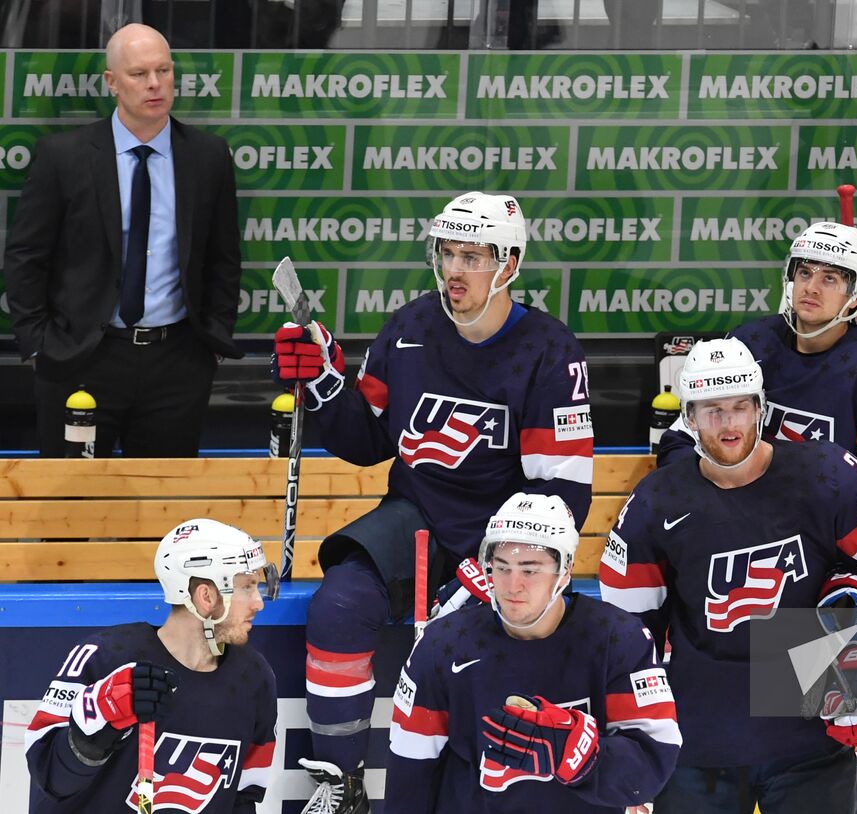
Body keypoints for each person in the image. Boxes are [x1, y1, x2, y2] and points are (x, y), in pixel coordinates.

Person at [273, 191, 593, 813]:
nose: (454, 270)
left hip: (508, 531)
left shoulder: (549, 351)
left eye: (472, 256)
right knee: (337, 607)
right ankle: (339, 784)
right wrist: (321, 381)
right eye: (446, 253)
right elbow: (366, 440)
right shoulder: (410, 327)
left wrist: (503, 565)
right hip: (415, 520)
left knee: (481, 651)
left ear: (510, 263)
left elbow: (562, 495)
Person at [602, 337, 857, 812]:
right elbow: (626, 634)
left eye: (739, 408)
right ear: (688, 418)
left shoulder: (828, 476)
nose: (728, 424)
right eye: (712, 410)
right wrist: (635, 738)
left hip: (810, 740)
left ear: (761, 408)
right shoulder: (653, 503)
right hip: (698, 743)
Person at [3, 23, 243, 458]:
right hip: (80, 357)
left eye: (164, 71)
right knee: (68, 509)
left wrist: (213, 341)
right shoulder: (64, 156)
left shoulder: (208, 156)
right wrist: (39, 343)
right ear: (112, 82)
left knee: (161, 508)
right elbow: (26, 257)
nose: (155, 84)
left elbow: (224, 259)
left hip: (178, 362)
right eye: (138, 74)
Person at [657, 221, 857, 560]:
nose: (812, 287)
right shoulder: (750, 344)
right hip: (778, 499)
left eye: (830, 278)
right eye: (805, 273)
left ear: (856, 294)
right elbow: (680, 444)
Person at [384, 492, 680, 813]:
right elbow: (410, 770)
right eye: (502, 567)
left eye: (530, 570)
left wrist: (581, 755)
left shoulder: (620, 639)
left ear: (564, 572)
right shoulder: (442, 643)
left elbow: (652, 765)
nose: (513, 586)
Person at [25, 518, 279, 813]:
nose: (258, 603)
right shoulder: (104, 657)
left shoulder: (254, 679)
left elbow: (242, 798)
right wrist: (98, 722)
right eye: (247, 587)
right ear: (206, 596)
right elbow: (49, 777)